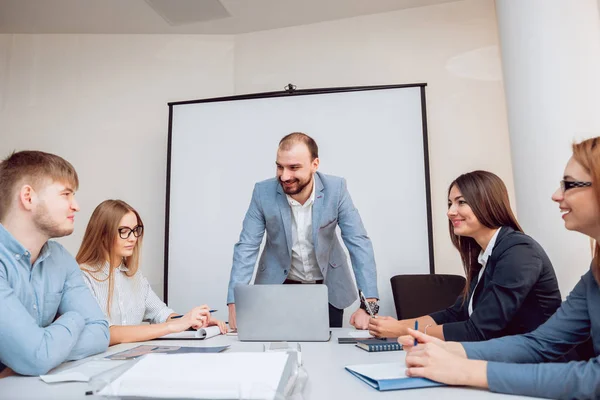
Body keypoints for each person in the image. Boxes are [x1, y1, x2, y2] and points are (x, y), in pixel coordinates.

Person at [400, 137, 600, 399]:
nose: (555, 195)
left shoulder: (518, 251)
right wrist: (452, 351)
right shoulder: (594, 274)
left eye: (570, 184)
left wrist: (466, 370)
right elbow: (540, 343)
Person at [369, 170, 562, 341]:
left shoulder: (519, 252)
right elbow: (456, 314)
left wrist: (403, 331)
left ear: (486, 203)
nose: (450, 212)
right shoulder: (487, 254)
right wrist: (399, 325)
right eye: (450, 203)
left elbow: (477, 331)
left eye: (461, 202)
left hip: (538, 365)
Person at [227, 132, 379, 329]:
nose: (284, 176)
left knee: (327, 353)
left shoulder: (336, 189)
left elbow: (359, 242)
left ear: (314, 165)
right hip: (279, 287)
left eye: (294, 168)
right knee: (275, 352)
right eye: (279, 166)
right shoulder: (262, 192)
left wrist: (369, 305)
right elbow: (246, 246)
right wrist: (235, 302)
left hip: (328, 288)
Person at [0, 151, 109, 377]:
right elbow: (35, 357)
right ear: (28, 197)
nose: (76, 206)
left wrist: (44, 350)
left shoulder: (60, 258)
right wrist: (75, 318)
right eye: (66, 194)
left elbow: (100, 332)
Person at [77, 200, 226, 345]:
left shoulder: (135, 276)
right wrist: (173, 326)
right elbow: (107, 333)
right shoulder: (83, 277)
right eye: (124, 231)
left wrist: (191, 321)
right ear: (102, 234)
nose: (133, 238)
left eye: (136, 230)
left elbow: (162, 314)